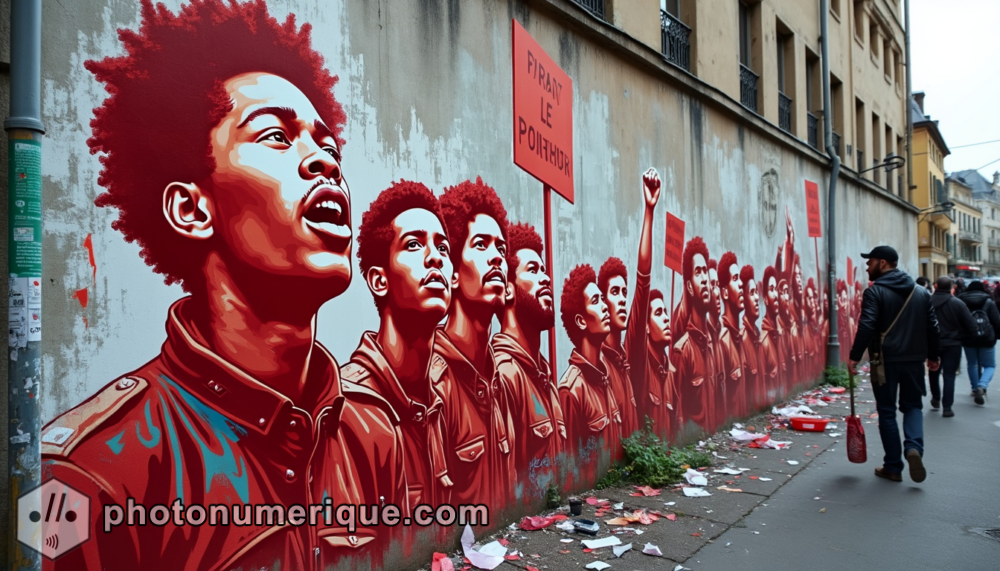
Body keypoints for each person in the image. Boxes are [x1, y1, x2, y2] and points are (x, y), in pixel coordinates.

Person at [41, 2, 408, 569]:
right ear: (192, 209)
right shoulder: (82, 475)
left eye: (329, 148)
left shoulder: (372, 433)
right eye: (276, 137)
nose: (324, 163)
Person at [341, 181, 454, 511]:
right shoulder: (349, 408)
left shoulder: (439, 399)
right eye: (414, 244)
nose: (435, 258)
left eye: (443, 248)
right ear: (379, 280)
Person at [434, 178, 516, 508]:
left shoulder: (500, 381)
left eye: (501, 249)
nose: (496, 257)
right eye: (481, 245)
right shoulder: (433, 384)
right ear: (452, 272)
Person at [850, 246, 940, 484]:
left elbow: (867, 325)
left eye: (869, 262)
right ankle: (913, 449)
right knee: (913, 407)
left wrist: (855, 355)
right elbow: (933, 327)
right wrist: (934, 356)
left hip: (885, 362)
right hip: (914, 361)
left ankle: (893, 466)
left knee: (887, 411)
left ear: (882, 263)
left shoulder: (875, 292)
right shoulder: (921, 292)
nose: (867, 267)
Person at [493, 222, 565, 502]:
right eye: (533, 271)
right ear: (508, 290)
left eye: (544, 270)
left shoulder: (543, 375)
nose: (546, 279)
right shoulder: (503, 374)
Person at [598, 168, 661, 439]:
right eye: (615, 292)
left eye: (624, 292)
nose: (622, 298)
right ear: (601, 301)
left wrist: (649, 211)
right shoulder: (596, 366)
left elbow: (643, 281)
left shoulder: (629, 356)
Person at [558, 264, 622, 481]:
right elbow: (569, 467)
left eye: (603, 299)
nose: (605, 307)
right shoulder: (571, 389)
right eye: (596, 301)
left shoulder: (605, 376)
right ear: (581, 320)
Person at [671, 237, 718, 431]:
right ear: (689, 287)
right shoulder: (682, 351)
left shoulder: (712, 346)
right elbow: (677, 418)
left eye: (705, 271)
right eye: (698, 273)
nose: (705, 279)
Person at [929, 276, 977, 417]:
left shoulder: (927, 302)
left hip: (932, 343)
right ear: (952, 287)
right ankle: (947, 407)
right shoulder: (957, 303)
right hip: (953, 343)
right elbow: (971, 324)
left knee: (933, 371)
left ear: (936, 286)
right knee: (949, 375)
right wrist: (966, 338)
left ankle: (936, 397)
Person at [957, 280, 1000, 405]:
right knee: (989, 365)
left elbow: (958, 320)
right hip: (987, 337)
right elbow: (996, 321)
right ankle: (982, 385)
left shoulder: (961, 301)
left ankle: (975, 388)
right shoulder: (989, 302)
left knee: (972, 364)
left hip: (968, 337)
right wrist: (996, 336)